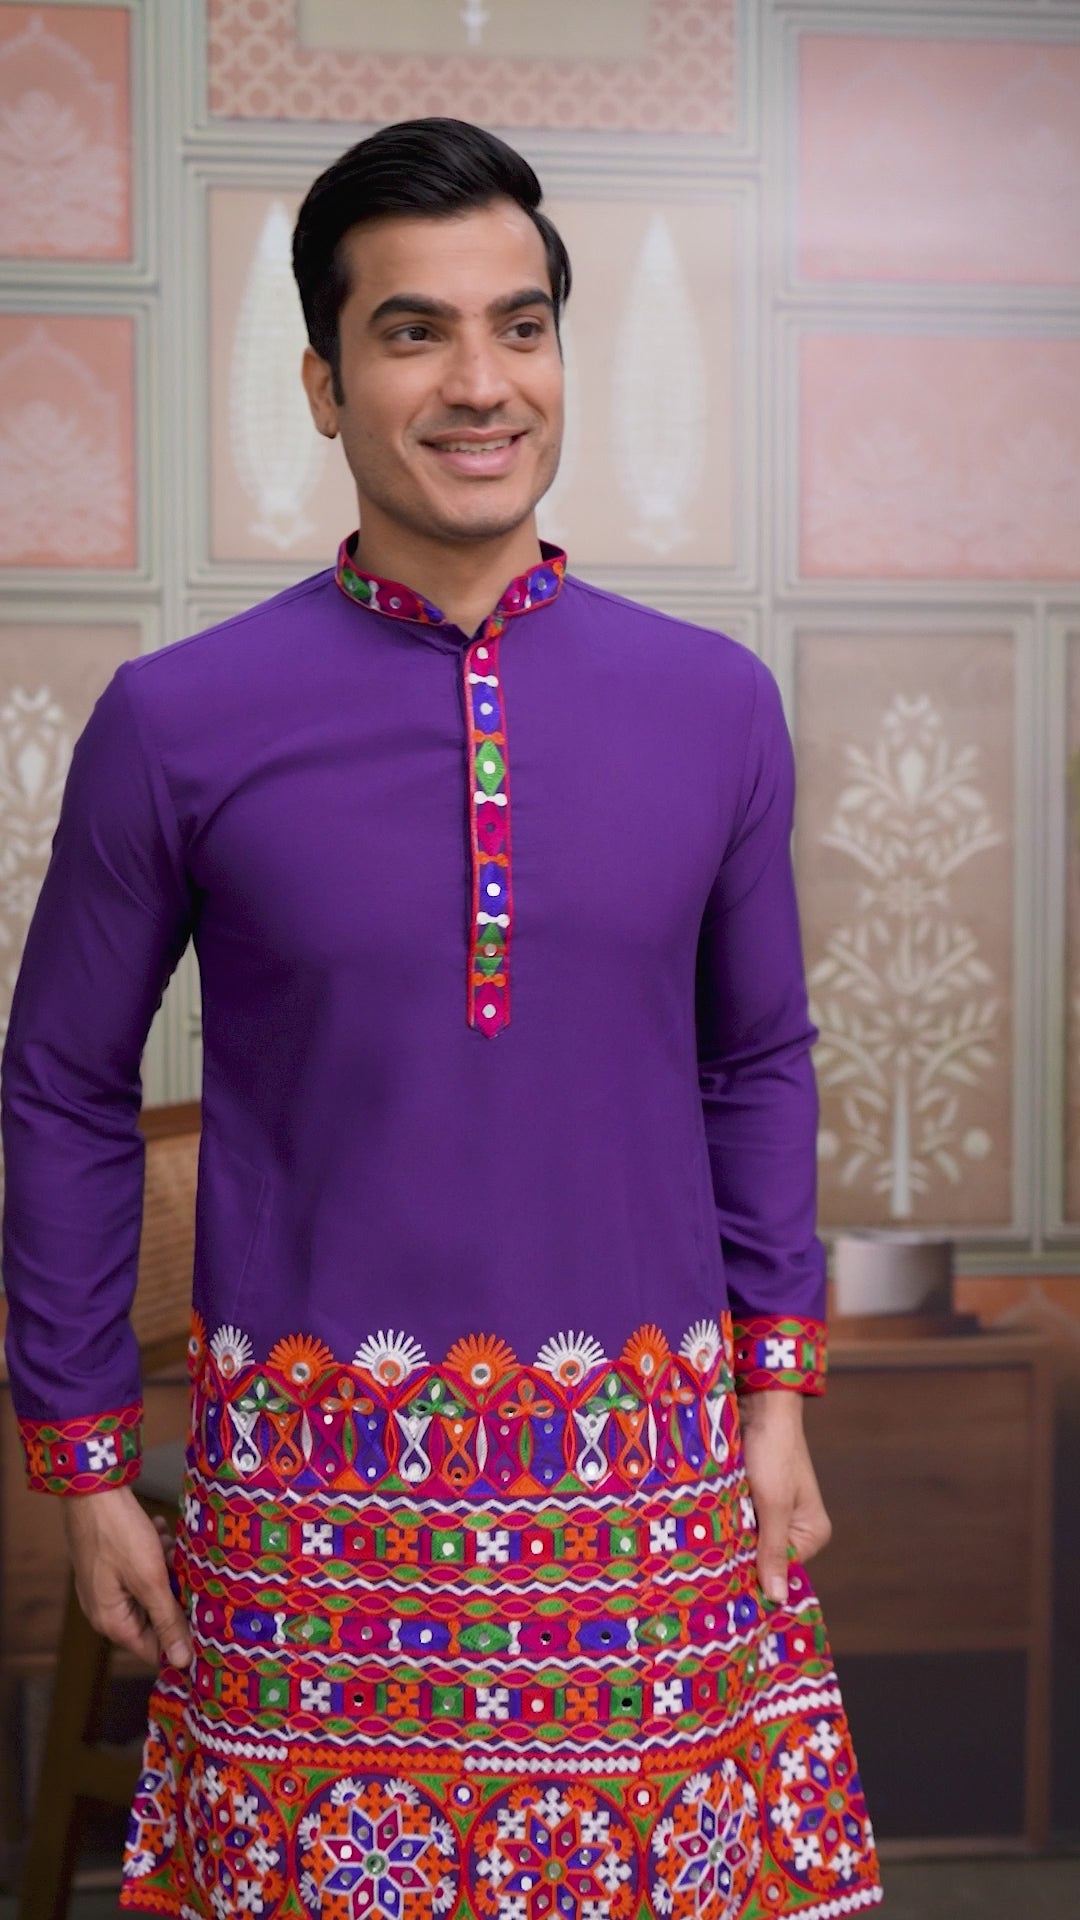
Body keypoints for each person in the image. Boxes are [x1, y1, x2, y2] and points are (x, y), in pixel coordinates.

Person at [2, 118, 882, 1918]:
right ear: (325, 385)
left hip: (646, 1480)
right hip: (312, 1506)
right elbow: (64, 1087)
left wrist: (776, 1391)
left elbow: (755, 1061)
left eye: (521, 326)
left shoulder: (715, 706)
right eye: (414, 332)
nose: (482, 383)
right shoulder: (179, 720)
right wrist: (85, 1461)